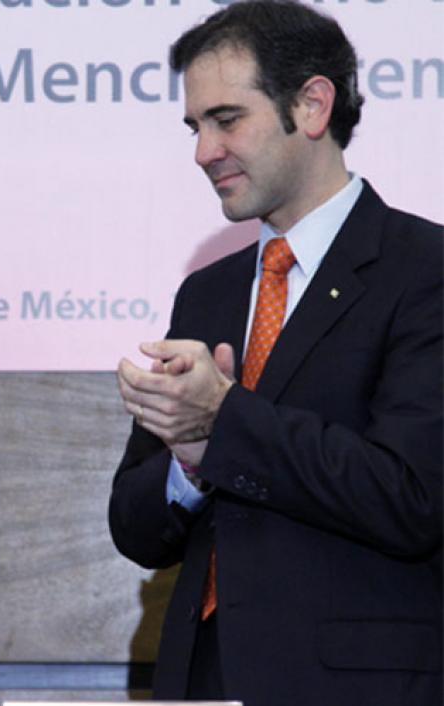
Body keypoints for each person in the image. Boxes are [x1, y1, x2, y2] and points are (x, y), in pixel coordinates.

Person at [107, 2, 442, 705]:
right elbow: (136, 527)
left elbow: (413, 497)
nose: (203, 151)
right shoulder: (208, 292)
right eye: (195, 127)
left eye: (227, 119)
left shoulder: (424, 271)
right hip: (203, 679)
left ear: (312, 105)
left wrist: (222, 421)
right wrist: (190, 465)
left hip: (357, 685)